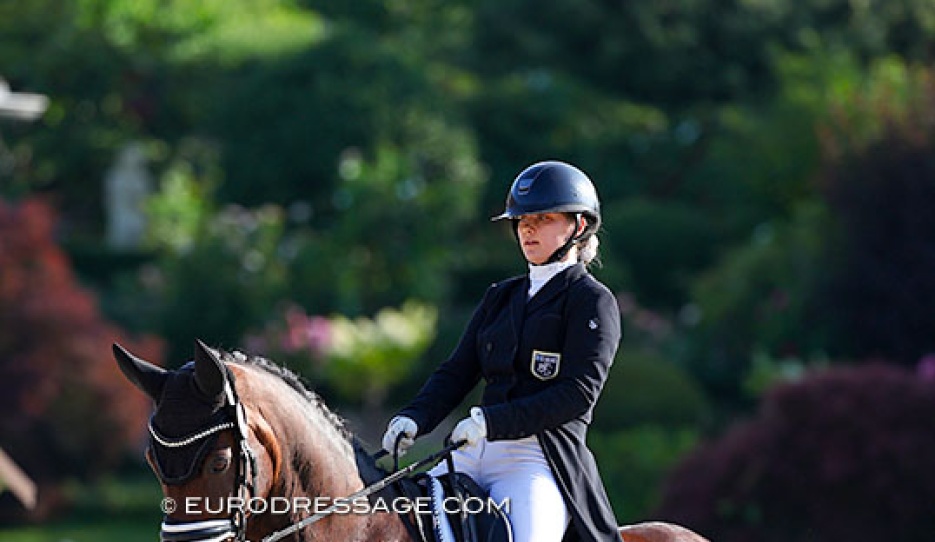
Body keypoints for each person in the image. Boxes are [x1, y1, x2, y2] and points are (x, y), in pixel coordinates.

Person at [382, 160, 622, 542]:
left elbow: (576, 395)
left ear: (578, 226)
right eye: (522, 219)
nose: (527, 227)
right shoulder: (500, 296)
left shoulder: (591, 302)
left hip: (536, 460)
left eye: (542, 217)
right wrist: (414, 417)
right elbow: (457, 371)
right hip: (468, 453)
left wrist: (492, 421)